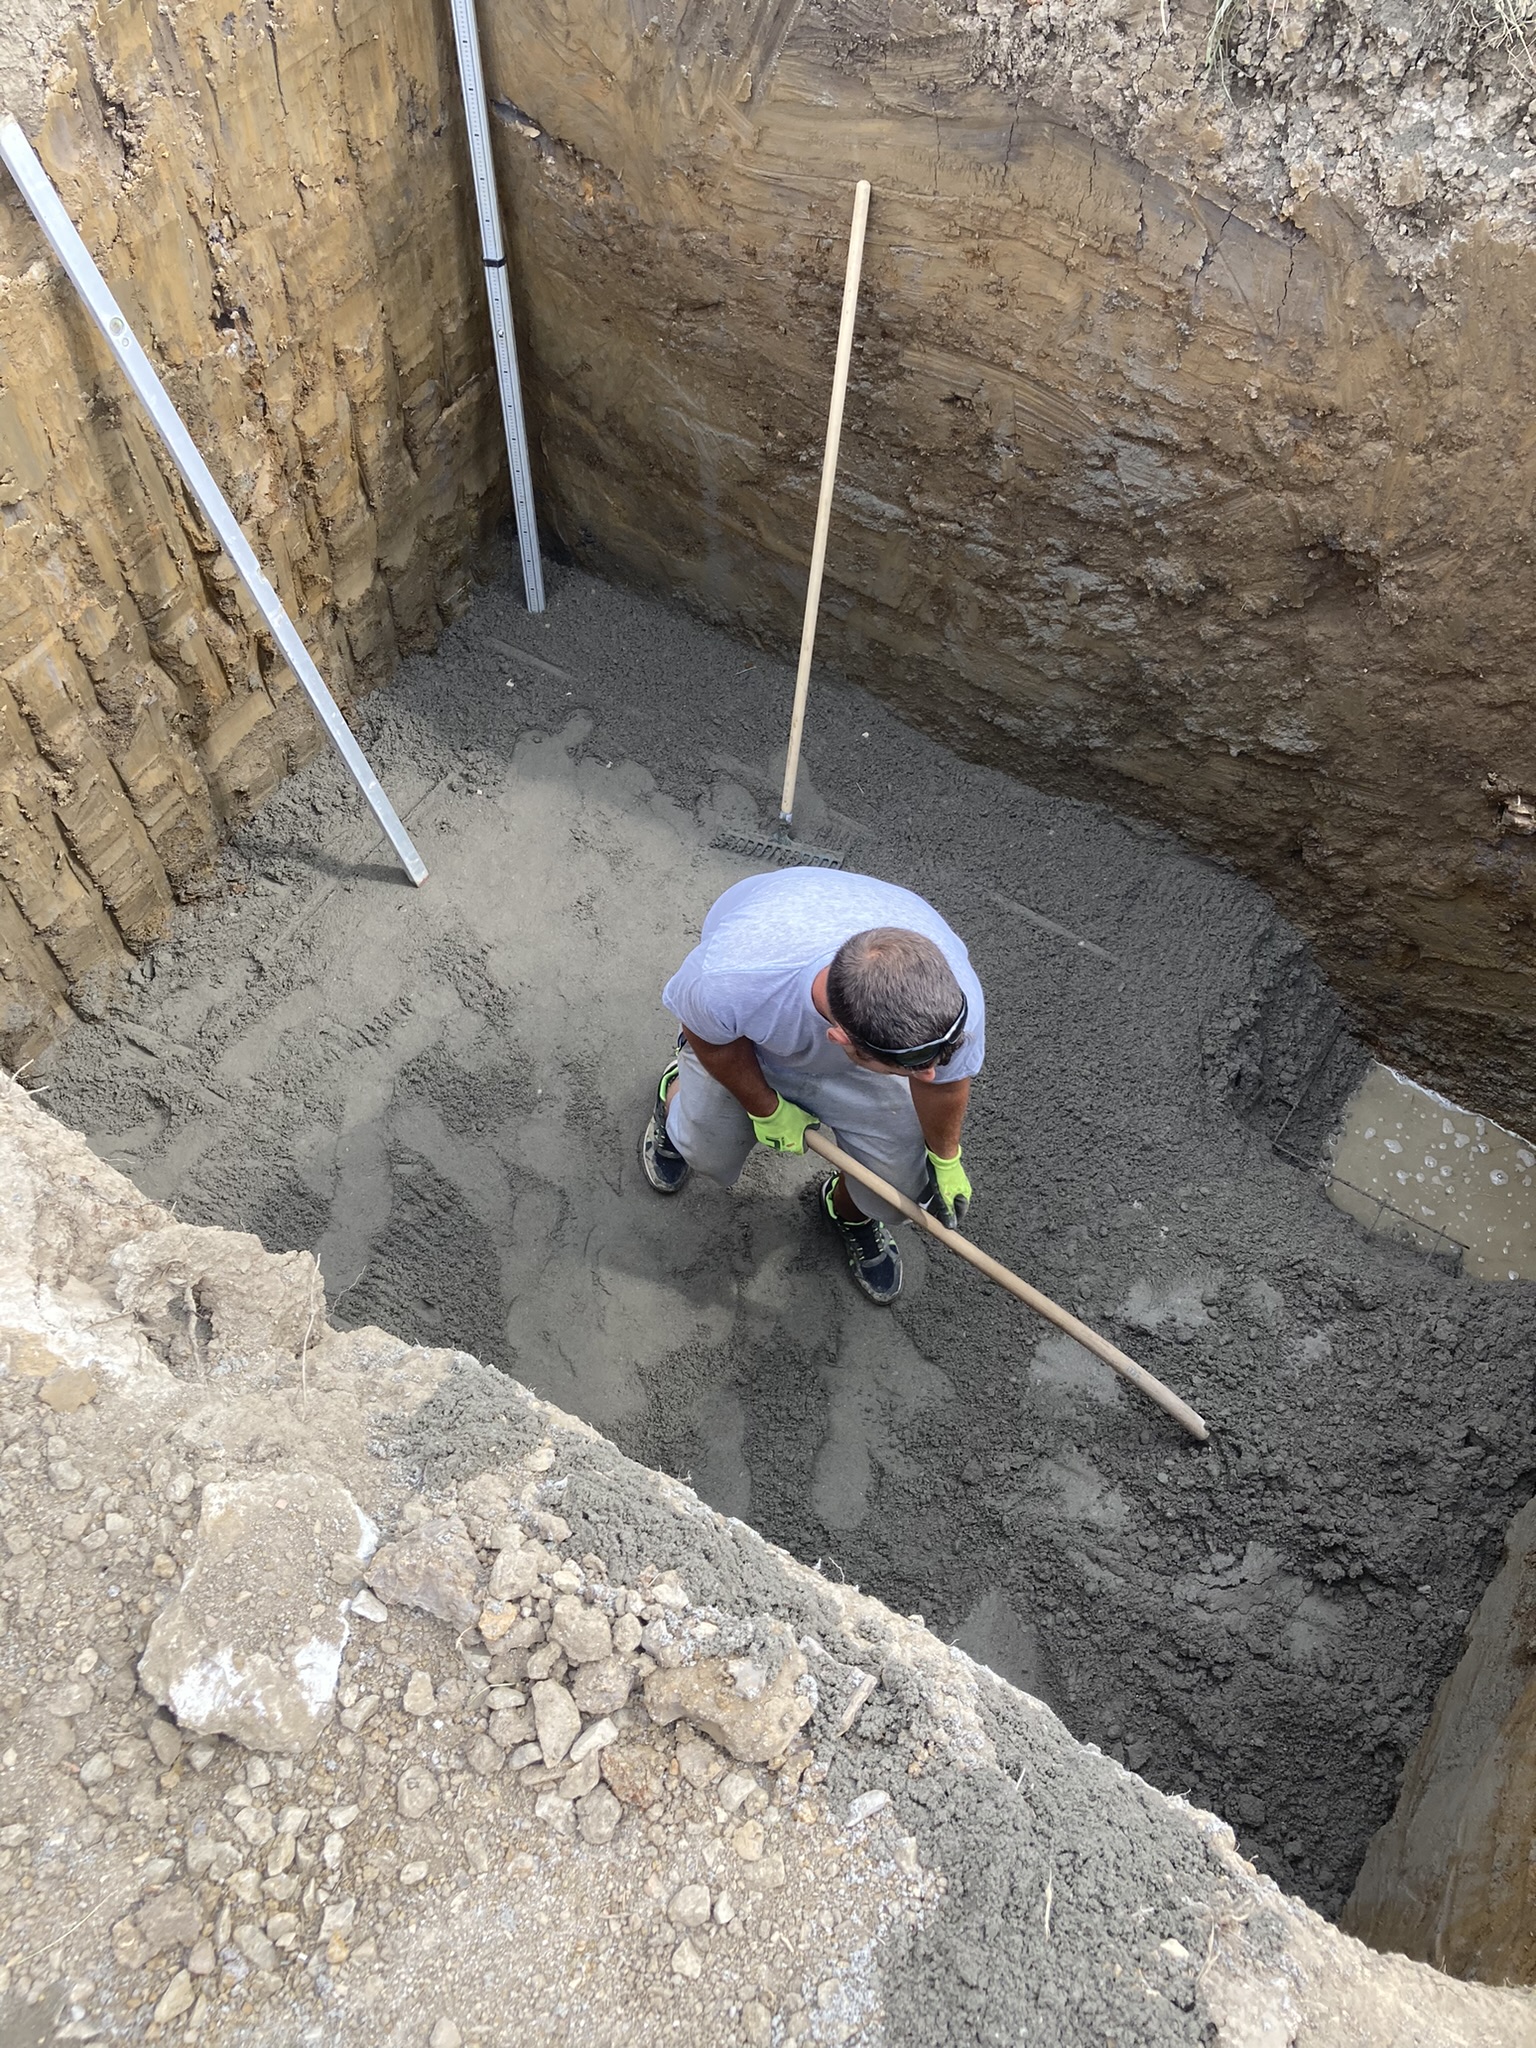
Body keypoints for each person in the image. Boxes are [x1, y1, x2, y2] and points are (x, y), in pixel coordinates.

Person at [640, 867, 985, 1304]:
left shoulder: (950, 1000)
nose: (930, 1076)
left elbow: (944, 1083)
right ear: (841, 1041)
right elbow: (708, 1035)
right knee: (704, 1153)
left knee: (899, 1193)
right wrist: (765, 1107)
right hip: (745, 1040)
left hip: (865, 1039)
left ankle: (847, 1212)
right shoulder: (731, 978)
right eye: (912, 1069)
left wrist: (945, 1156)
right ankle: (675, 1091)